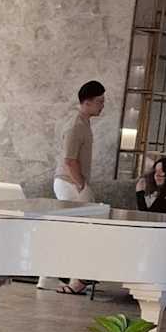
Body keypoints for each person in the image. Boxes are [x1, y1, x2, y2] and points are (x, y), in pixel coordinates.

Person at [53, 79, 106, 296]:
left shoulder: (84, 124)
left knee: (77, 232)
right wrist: (82, 185)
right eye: (99, 101)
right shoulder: (75, 126)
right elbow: (69, 160)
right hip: (70, 183)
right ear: (87, 102)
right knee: (82, 233)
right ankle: (77, 280)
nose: (102, 105)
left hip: (73, 183)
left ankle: (56, 278)